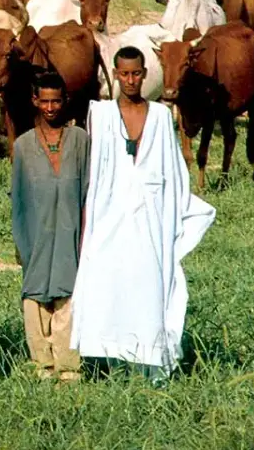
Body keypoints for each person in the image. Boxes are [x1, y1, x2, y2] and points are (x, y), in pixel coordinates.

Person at [70, 47, 216, 384]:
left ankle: (151, 361)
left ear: (145, 73)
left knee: (149, 285)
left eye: (137, 74)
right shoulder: (102, 115)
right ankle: (106, 359)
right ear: (116, 74)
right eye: (124, 74)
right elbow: (92, 168)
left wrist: (176, 212)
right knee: (107, 282)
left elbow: (173, 170)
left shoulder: (162, 117)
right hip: (108, 215)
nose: (131, 80)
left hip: (151, 219)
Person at [9, 72, 87, 381]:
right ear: (35, 101)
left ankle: (68, 368)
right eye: (45, 101)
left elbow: (89, 188)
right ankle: (42, 365)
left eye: (56, 101)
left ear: (65, 101)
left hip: (71, 229)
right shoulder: (24, 145)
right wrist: (21, 240)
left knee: (69, 292)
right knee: (36, 291)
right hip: (36, 230)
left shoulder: (81, 140)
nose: (51, 108)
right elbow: (19, 197)